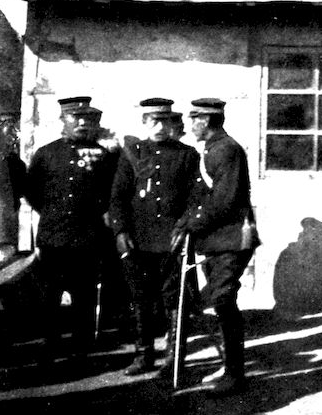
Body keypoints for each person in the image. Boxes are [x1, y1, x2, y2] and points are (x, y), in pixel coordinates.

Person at [171, 98, 260, 395]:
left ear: (206, 121)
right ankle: (229, 366)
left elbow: (223, 201)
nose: (189, 125)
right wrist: (187, 221)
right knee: (222, 303)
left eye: (193, 119)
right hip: (218, 239)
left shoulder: (226, 149)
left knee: (223, 301)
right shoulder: (213, 148)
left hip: (232, 239)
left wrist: (191, 224)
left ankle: (235, 374)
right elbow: (203, 197)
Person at [110, 99, 204, 375]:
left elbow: (196, 197)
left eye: (165, 121)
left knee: (175, 300)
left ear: (173, 123)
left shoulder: (186, 154)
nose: (160, 127)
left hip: (172, 241)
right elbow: (118, 197)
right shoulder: (132, 153)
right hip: (138, 240)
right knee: (141, 298)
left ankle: (174, 358)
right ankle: (143, 355)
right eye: (154, 121)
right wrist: (120, 231)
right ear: (144, 123)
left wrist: (185, 226)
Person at [25, 96, 118, 365]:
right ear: (62, 120)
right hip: (53, 237)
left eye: (87, 119)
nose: (82, 123)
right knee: (49, 295)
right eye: (75, 118)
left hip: (88, 237)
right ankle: (50, 345)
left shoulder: (104, 156)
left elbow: (111, 194)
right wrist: (53, 214)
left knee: (84, 295)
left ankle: (81, 349)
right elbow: (32, 191)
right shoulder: (46, 153)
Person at [0, 111, 27, 264]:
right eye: (9, 125)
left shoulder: (16, 163)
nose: (15, 134)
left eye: (15, 126)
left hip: (6, 233)